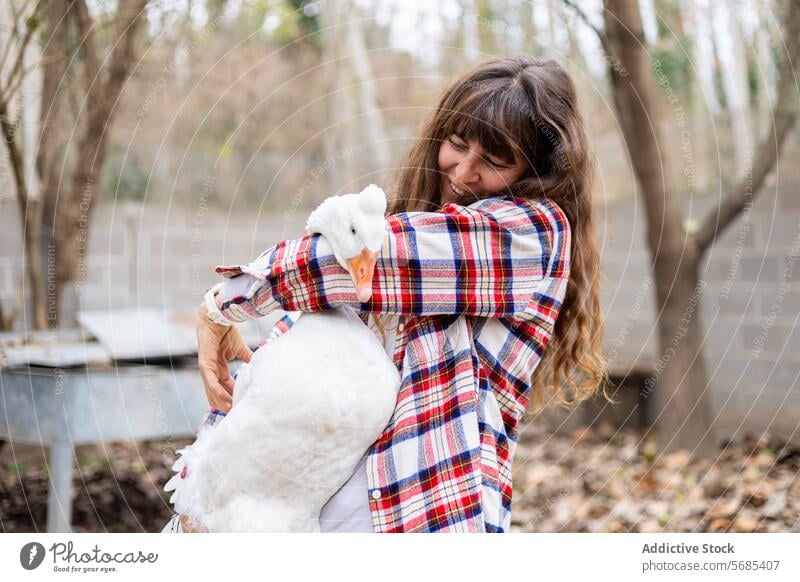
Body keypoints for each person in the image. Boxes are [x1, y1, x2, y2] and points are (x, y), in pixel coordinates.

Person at [168, 55, 606, 533]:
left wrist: (222, 305)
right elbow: (283, 367)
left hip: (422, 520)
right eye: (457, 144)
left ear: (535, 171)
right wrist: (207, 488)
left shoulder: (530, 237)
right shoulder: (405, 225)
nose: (463, 170)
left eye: (495, 161)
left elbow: (359, 263)